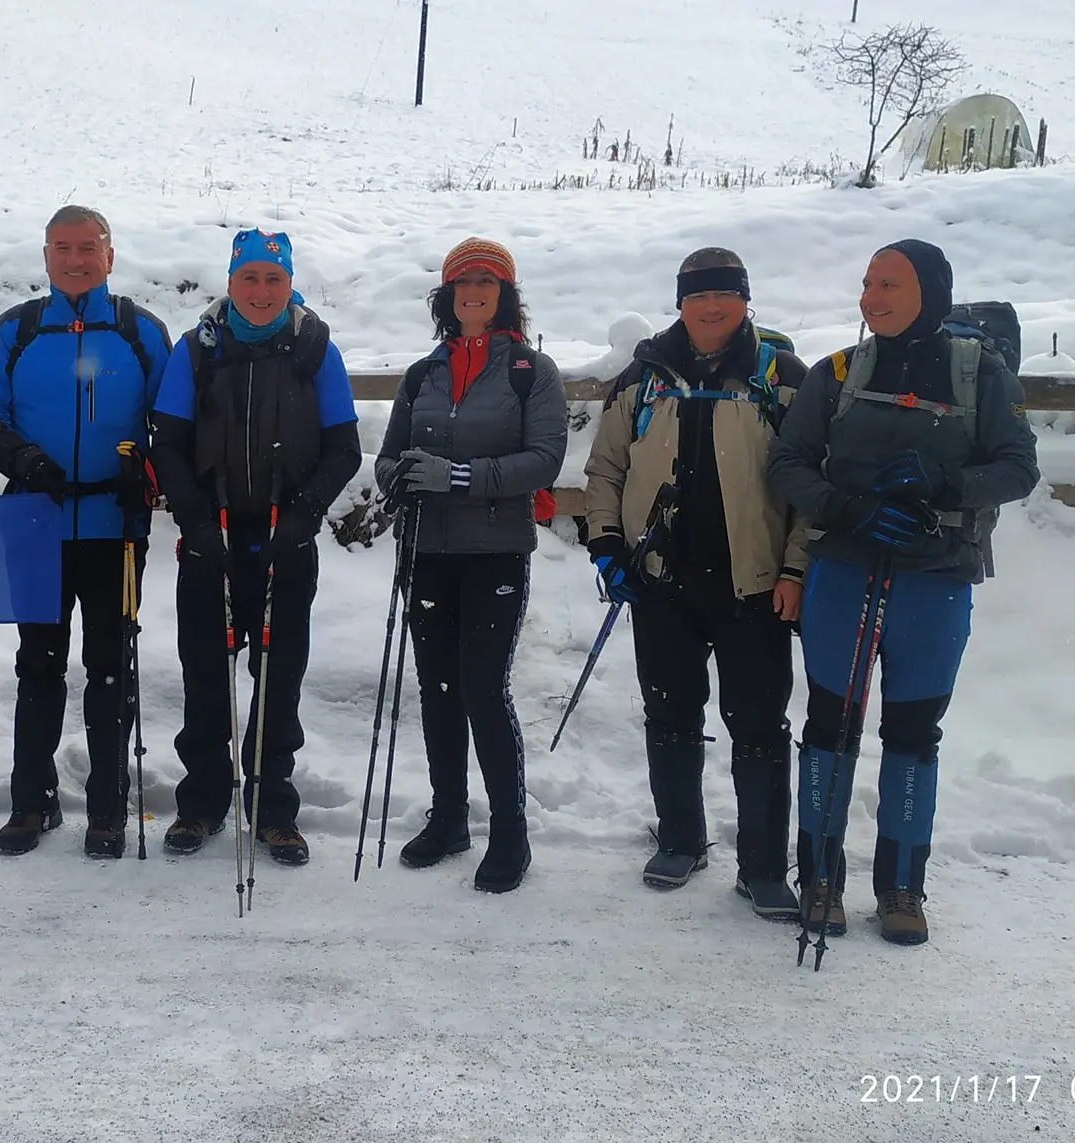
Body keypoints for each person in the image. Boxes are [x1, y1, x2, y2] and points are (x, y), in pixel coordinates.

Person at [767, 239, 1039, 945]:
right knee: (830, 726)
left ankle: (901, 888)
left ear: (931, 292)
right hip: (844, 572)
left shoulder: (980, 374)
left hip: (935, 578)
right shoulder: (837, 372)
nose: (871, 298)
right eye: (867, 283)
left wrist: (945, 484)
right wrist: (848, 509)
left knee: (914, 735)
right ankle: (820, 878)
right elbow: (788, 462)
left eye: (889, 284)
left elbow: (1018, 468)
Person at [580, 249, 809, 918]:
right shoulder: (644, 377)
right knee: (670, 714)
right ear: (680, 303)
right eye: (698, 295)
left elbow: (811, 487)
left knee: (759, 726)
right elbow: (606, 470)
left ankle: (763, 866)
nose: (711, 307)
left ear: (745, 299)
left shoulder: (783, 379)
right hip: (662, 583)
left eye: (724, 294)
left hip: (754, 587)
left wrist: (796, 568)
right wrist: (607, 546)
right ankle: (681, 839)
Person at [148, 229, 362, 866]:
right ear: (231, 281)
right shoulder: (197, 349)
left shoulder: (315, 349)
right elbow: (167, 443)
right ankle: (202, 803)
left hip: (284, 538)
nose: (261, 291)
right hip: (210, 538)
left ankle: (273, 811)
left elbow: (344, 448)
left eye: (274, 278)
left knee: (277, 680)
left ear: (289, 283)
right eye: (250, 277)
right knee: (205, 678)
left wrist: (305, 515)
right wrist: (194, 519)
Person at [0, 206, 172, 858]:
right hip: (36, 522)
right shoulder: (17, 330)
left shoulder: (141, 331)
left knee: (110, 666)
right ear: (47, 256)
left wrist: (147, 471)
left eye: (88, 247)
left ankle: (108, 808)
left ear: (110, 255)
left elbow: (172, 421)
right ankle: (32, 802)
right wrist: (25, 461)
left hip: (116, 527)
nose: (76, 260)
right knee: (39, 665)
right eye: (63, 248)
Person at [374, 238, 568, 893]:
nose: (474, 292)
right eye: (463, 282)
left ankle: (509, 833)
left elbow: (543, 460)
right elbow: (388, 455)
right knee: (438, 689)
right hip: (426, 552)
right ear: (447, 296)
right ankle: (450, 817)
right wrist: (399, 477)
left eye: (487, 281)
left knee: (483, 689)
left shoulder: (531, 371)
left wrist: (457, 477)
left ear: (505, 293)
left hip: (494, 553)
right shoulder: (421, 374)